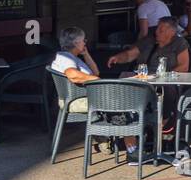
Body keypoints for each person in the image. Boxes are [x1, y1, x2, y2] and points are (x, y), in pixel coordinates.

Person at [51, 26, 140, 157]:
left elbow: (96, 72)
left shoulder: (73, 57)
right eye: (83, 40)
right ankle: (132, 148)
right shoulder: (65, 58)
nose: (85, 42)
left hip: (88, 95)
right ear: (76, 43)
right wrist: (97, 80)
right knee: (122, 103)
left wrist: (86, 54)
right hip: (79, 99)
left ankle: (108, 135)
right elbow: (72, 74)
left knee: (124, 99)